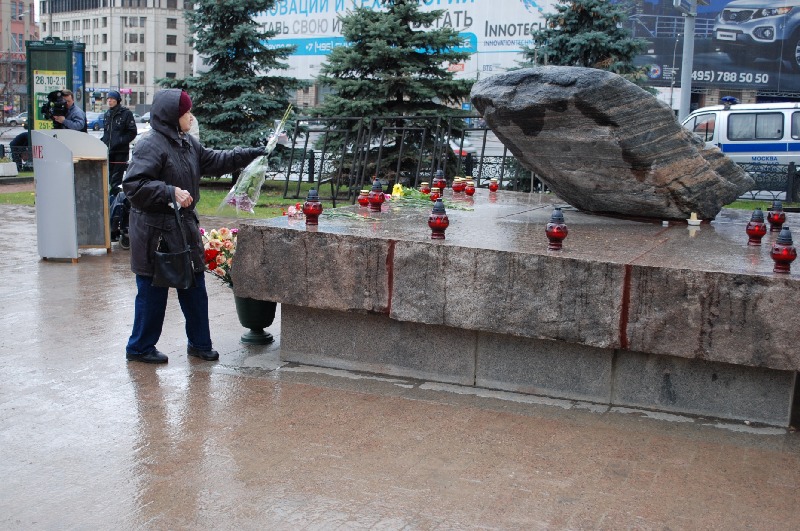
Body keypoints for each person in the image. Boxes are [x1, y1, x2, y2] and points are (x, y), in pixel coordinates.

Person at [122, 89, 266, 364]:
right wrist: (169, 191)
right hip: (155, 234)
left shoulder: (186, 142)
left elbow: (214, 160)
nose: (191, 116)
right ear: (172, 116)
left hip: (183, 228)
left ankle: (199, 344)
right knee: (152, 294)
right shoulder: (150, 144)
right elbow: (134, 186)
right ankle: (139, 348)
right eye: (186, 112)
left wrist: (251, 154)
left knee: (195, 289)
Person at [9, 88, 87, 170]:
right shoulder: (61, 110)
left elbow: (79, 126)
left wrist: (64, 121)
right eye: (64, 101)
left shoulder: (77, 112)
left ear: (73, 100)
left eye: (68, 101)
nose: (66, 104)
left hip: (74, 142)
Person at [101, 90, 138, 194]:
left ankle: (115, 199)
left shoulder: (126, 113)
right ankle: (110, 198)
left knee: (116, 181)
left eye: (112, 99)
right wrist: (103, 142)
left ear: (117, 100)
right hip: (109, 151)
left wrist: (120, 141)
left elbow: (132, 132)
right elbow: (106, 133)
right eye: (108, 99)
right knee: (108, 178)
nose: (109, 101)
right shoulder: (107, 114)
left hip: (120, 152)